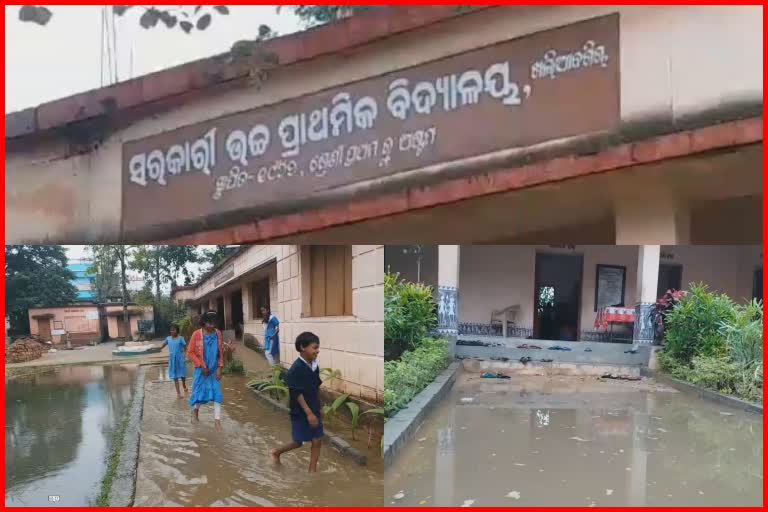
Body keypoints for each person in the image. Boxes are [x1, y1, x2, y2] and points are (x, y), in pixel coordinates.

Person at [271, 331, 323, 472]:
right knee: (298, 442)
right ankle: (277, 452)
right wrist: (308, 413)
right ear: (302, 347)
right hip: (300, 411)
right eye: (314, 347)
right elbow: (296, 393)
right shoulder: (295, 370)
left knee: (317, 440)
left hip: (314, 407)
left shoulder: (314, 366)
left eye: (318, 348)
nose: (317, 351)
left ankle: (312, 472)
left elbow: (316, 386)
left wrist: (318, 407)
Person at [187, 311, 224, 430]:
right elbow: (190, 352)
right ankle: (195, 413)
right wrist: (201, 365)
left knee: (217, 393)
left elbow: (220, 353)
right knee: (199, 393)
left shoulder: (218, 333)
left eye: (214, 322)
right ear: (204, 322)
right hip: (201, 370)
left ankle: (217, 421)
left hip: (213, 369)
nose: (212, 325)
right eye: (209, 323)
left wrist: (219, 367)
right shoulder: (196, 335)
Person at [161, 324, 187, 399]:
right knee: (175, 377)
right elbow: (163, 345)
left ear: (177, 331)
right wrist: (156, 349)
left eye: (173, 330)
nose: (172, 331)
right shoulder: (168, 338)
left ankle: (184, 385)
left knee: (182, 375)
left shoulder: (181, 338)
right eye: (171, 330)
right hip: (172, 360)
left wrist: (186, 356)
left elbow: (185, 347)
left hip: (180, 359)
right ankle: (178, 393)